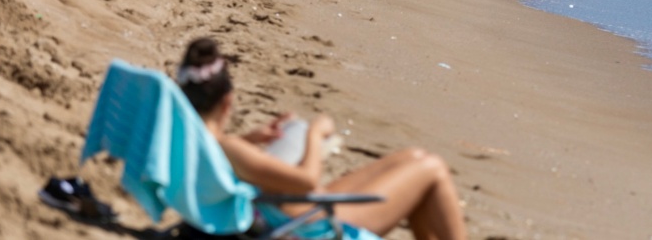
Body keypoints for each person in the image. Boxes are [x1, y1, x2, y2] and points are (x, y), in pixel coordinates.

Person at [178, 37, 467, 240]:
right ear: (227, 102)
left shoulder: (188, 141)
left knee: (412, 158)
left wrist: (252, 140)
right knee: (432, 168)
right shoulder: (229, 147)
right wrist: (316, 135)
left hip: (279, 213)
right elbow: (307, 181)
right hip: (308, 227)